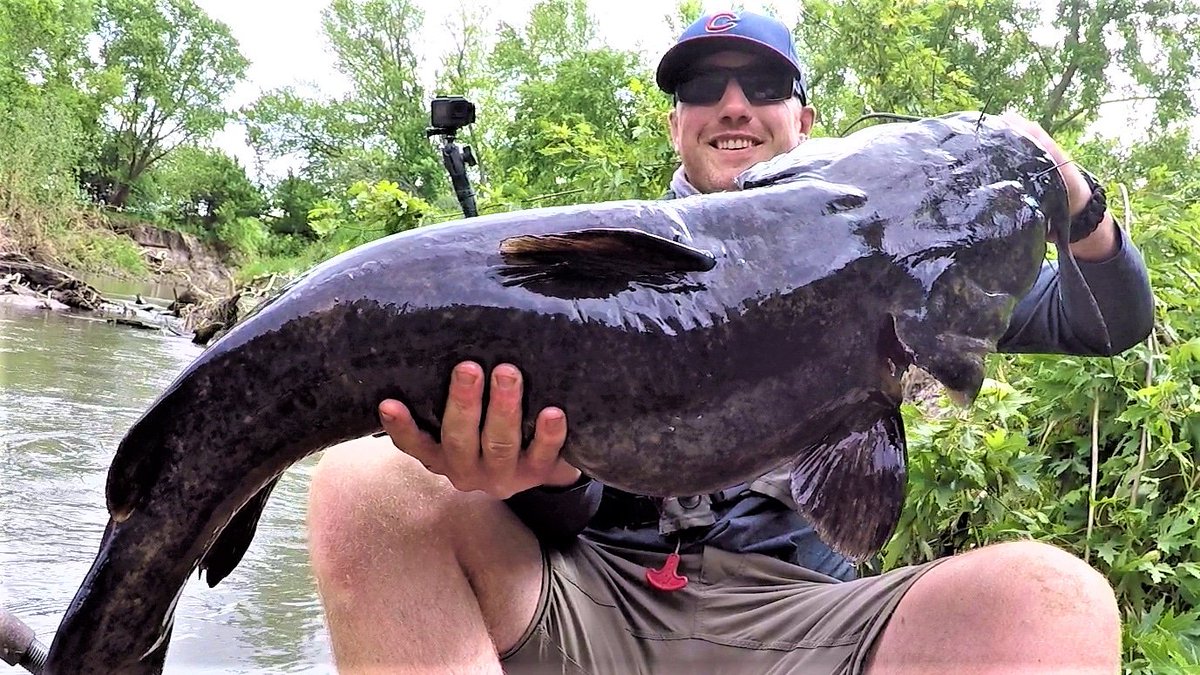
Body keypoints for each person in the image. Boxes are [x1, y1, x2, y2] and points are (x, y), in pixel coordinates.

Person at [306, 10, 1154, 674]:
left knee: (1054, 597)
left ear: (806, 118)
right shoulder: (601, 264)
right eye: (706, 88)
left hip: (799, 615)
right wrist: (539, 475)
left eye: (760, 86)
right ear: (676, 124)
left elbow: (1108, 321)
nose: (734, 104)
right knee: (364, 484)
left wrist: (1074, 197)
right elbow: (564, 515)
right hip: (592, 597)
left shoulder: (912, 259)